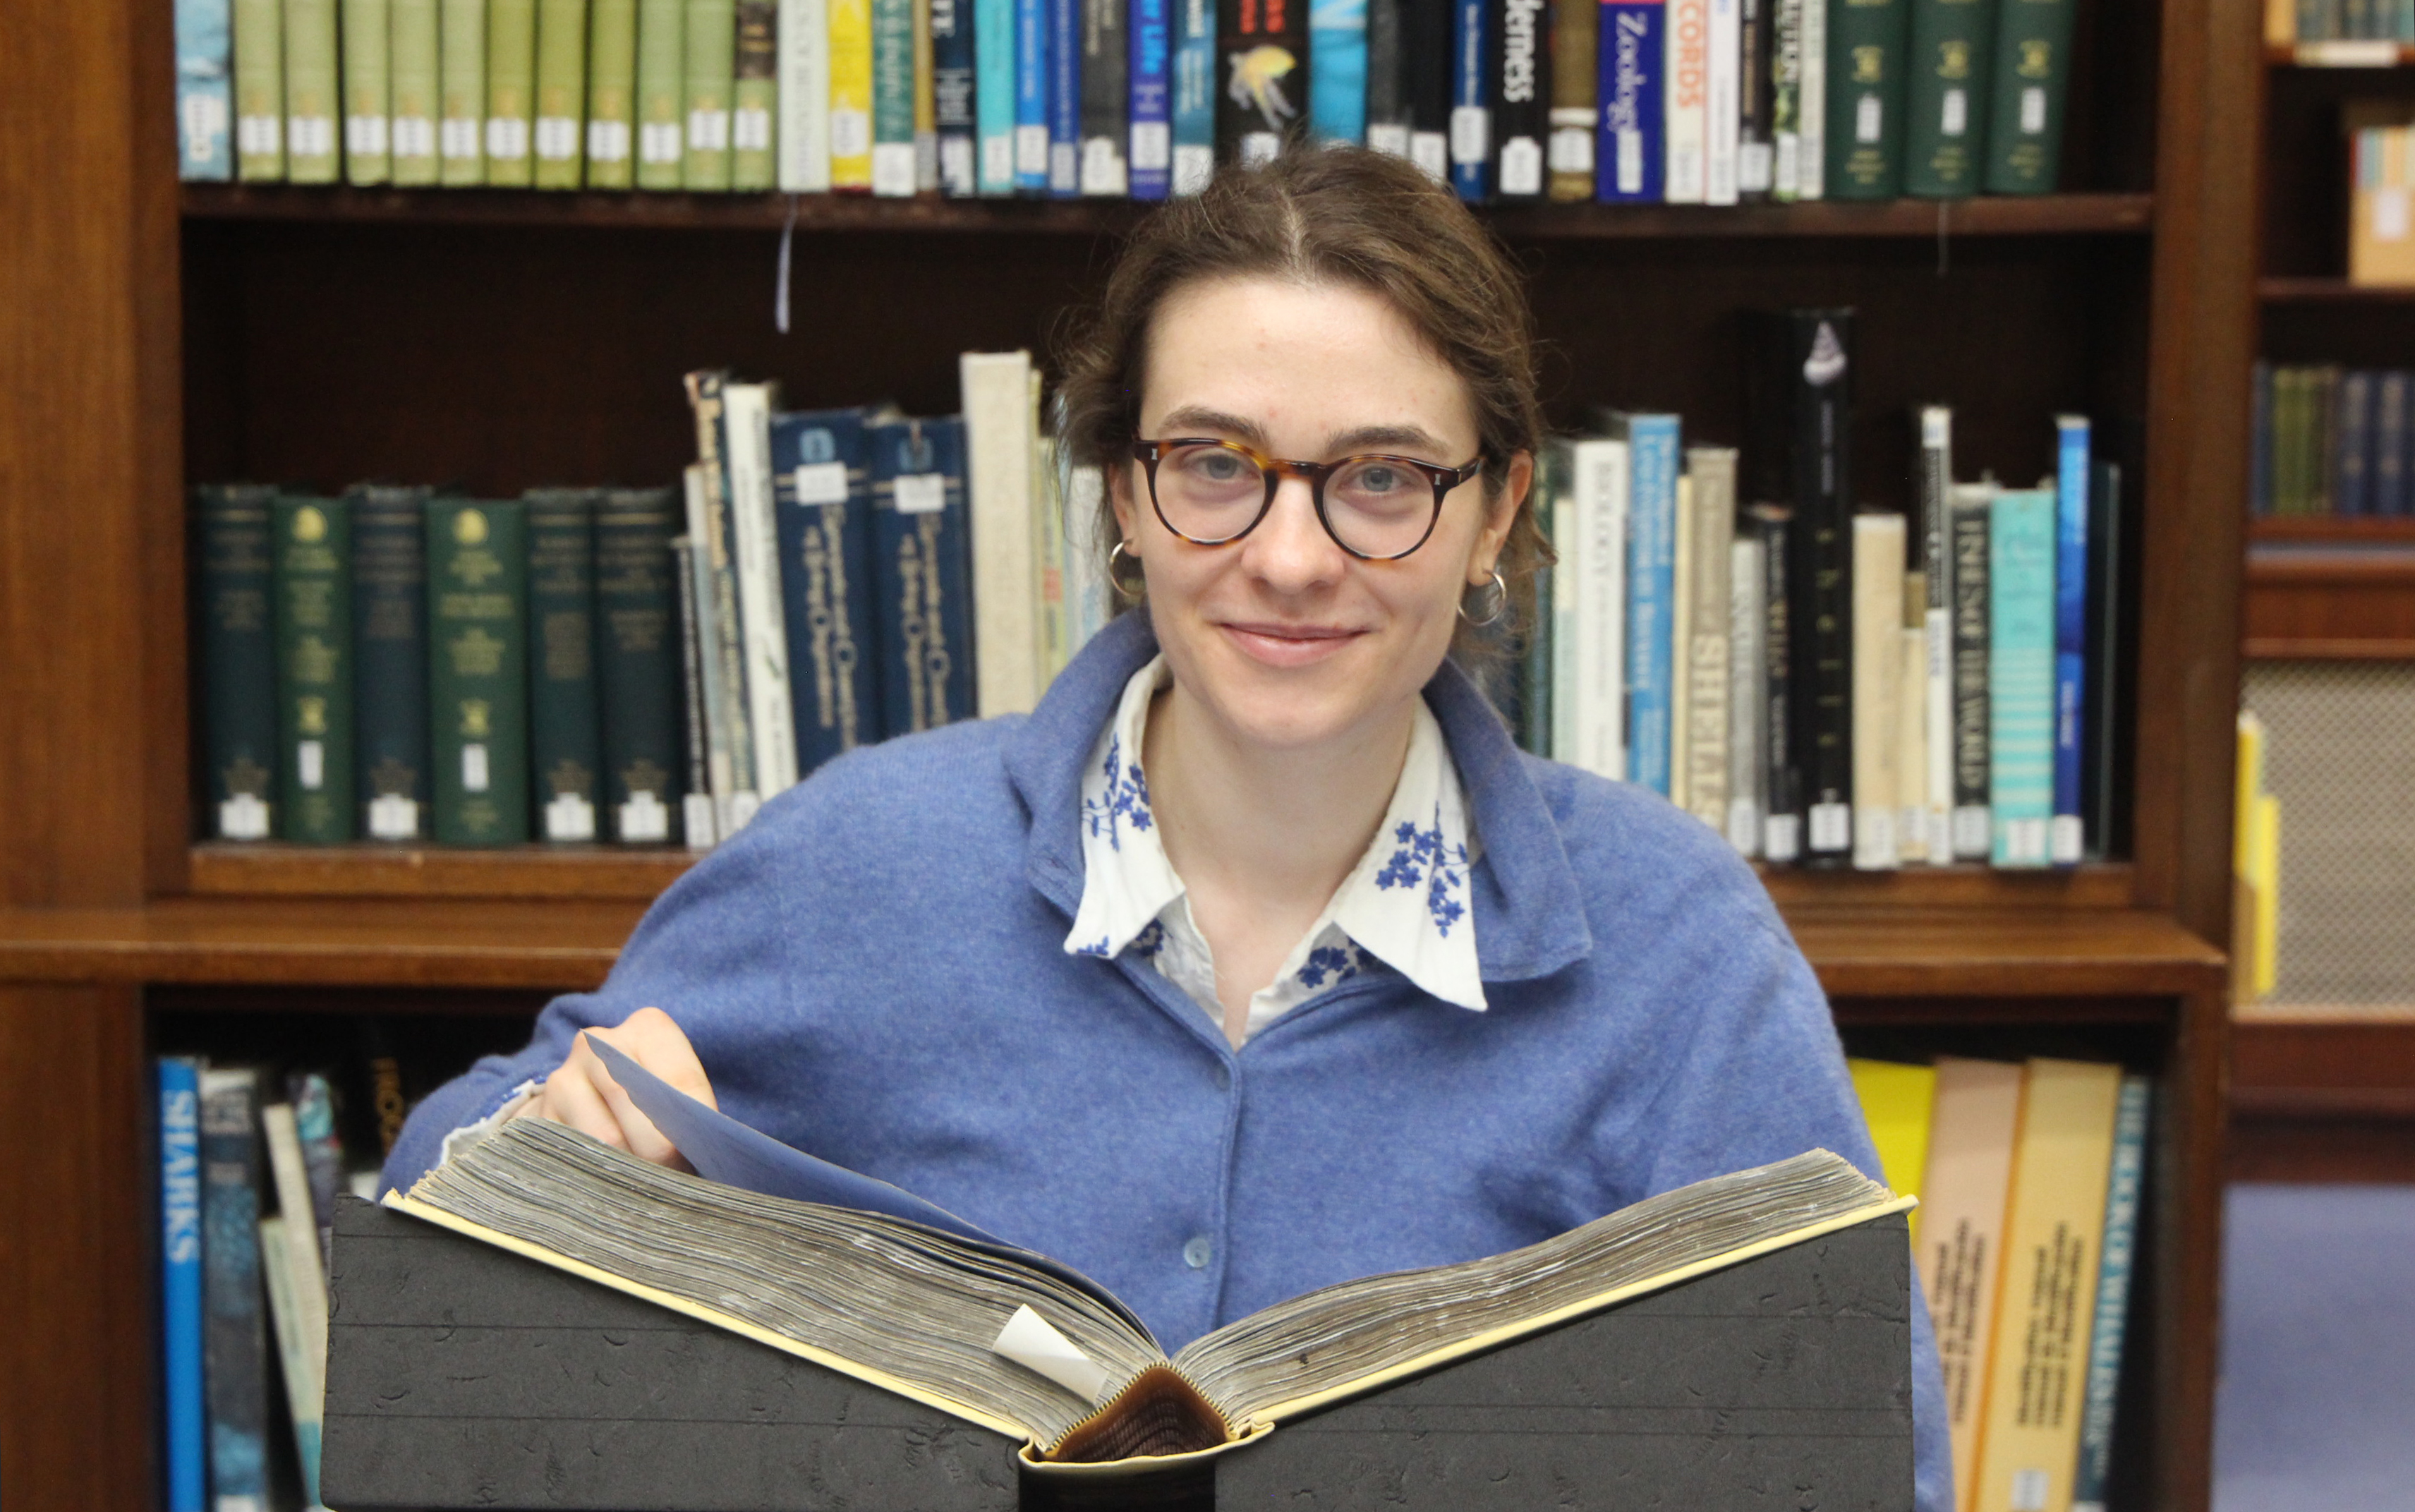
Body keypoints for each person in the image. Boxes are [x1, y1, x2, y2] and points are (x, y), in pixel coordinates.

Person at [384, 146, 1949, 1509]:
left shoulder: (1675, 947)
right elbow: (447, 1234)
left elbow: (1858, 1453)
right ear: (1124, 497)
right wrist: (541, 1153)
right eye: (1214, 465)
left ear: (1494, 515)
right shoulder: (847, 866)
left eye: (1382, 479)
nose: (1286, 555)